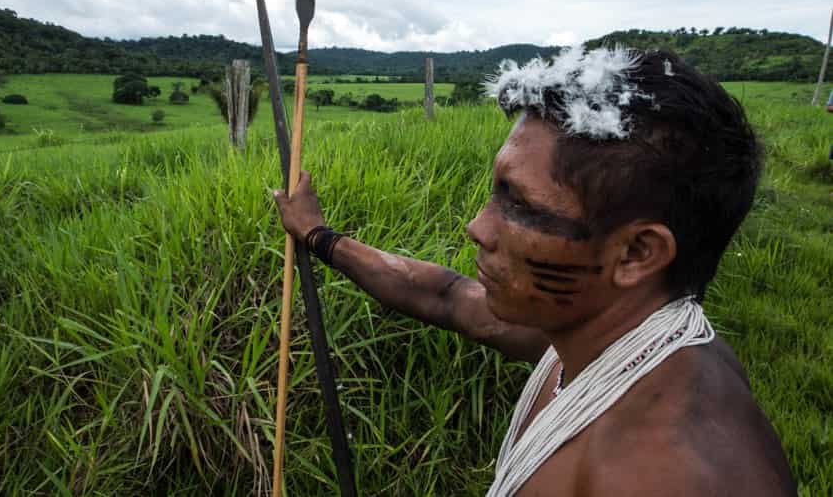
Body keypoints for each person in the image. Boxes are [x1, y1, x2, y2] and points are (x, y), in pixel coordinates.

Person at [273, 46, 797, 496]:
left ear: (637, 253)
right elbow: (445, 296)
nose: (476, 227)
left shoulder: (657, 472)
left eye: (519, 205)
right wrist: (319, 236)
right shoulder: (610, 339)